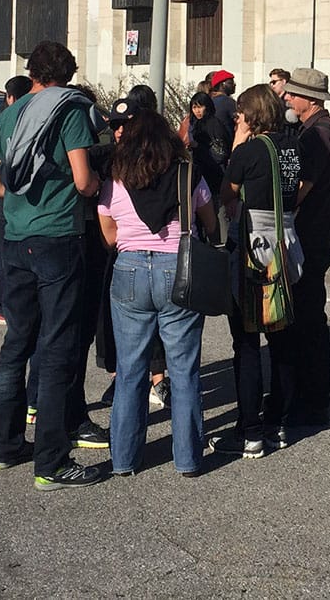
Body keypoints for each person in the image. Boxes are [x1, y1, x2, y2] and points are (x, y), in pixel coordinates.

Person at [0, 40, 108, 492]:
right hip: (58, 238)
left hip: (15, 240)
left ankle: (6, 444)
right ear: (68, 74)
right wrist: (95, 183)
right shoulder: (70, 112)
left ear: (32, 73)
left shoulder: (10, 115)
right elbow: (82, 179)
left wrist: (24, 197)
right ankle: (51, 461)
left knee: (17, 342)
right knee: (57, 348)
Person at [97, 97, 216, 478]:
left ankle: (124, 459)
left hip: (129, 267)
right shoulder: (186, 173)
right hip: (177, 268)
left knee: (130, 368)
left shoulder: (116, 176)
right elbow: (210, 223)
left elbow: (109, 233)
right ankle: (188, 458)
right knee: (183, 369)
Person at [214, 85, 310, 458]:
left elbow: (227, 191)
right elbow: (298, 187)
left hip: (254, 250)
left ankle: (249, 432)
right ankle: (278, 424)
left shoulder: (251, 150)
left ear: (251, 115)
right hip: (287, 245)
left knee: (247, 342)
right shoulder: (293, 146)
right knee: (283, 338)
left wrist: (238, 144)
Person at [280, 67, 330, 434]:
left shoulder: (317, 136)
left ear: (310, 100)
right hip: (319, 236)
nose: (287, 99)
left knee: (307, 322)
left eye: (292, 94)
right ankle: (308, 398)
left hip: (311, 238)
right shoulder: (318, 131)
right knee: (308, 320)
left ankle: (311, 403)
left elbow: (300, 189)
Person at [0, 76, 33, 325]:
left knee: (4, 252)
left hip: (4, 194)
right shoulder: (38, 119)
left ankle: (2, 305)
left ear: (9, 97)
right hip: (34, 197)